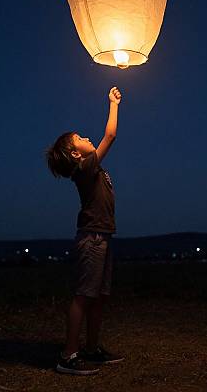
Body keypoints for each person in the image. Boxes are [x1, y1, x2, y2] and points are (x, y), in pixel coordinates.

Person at [46, 86, 125, 375]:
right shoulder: (84, 169)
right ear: (74, 154)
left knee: (99, 296)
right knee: (83, 295)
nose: (86, 137)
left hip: (102, 238)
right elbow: (111, 136)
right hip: (91, 240)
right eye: (79, 138)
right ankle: (68, 355)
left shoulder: (91, 169)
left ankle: (91, 349)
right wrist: (113, 104)